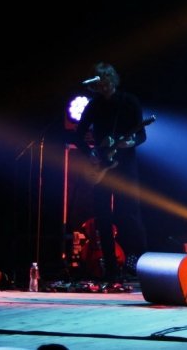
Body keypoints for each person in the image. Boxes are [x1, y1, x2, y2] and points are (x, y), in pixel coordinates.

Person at [73, 62, 149, 288]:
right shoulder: (94, 105)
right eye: (99, 84)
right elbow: (78, 134)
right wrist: (91, 154)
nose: (103, 87)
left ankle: (143, 266)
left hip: (125, 166)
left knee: (130, 215)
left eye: (105, 82)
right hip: (101, 166)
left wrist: (130, 142)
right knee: (103, 217)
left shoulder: (129, 102)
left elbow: (142, 135)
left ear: (112, 80)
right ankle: (111, 271)